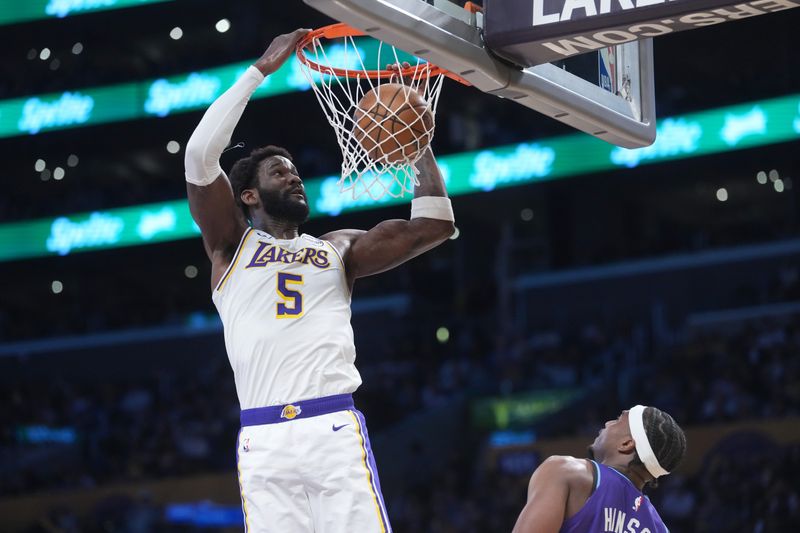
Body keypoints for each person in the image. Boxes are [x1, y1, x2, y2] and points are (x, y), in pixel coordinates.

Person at [183, 29, 454, 533]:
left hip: (331, 425)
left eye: (295, 172)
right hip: (262, 438)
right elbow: (200, 156)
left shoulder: (338, 249)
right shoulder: (230, 246)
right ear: (248, 196)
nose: (295, 177)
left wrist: (416, 144)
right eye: (280, 173)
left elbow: (433, 227)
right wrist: (261, 67)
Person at [512, 405, 687, 533]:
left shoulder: (568, 472)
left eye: (618, 420)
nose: (608, 422)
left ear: (626, 444)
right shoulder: (659, 528)